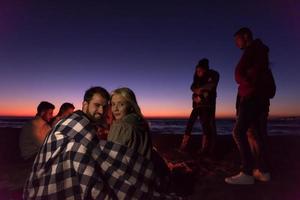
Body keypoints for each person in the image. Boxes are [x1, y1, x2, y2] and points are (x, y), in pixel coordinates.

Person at [23, 87, 176, 199]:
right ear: (84, 105)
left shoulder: (85, 124)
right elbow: (91, 153)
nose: (102, 111)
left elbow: (96, 150)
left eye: (105, 107)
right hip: (52, 180)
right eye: (97, 105)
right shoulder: (77, 123)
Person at [225, 27, 275, 185]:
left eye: (237, 39)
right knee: (256, 134)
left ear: (245, 36)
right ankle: (263, 171)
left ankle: (247, 172)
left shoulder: (255, 49)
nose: (236, 43)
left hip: (252, 97)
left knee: (238, 132)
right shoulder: (258, 50)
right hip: (256, 97)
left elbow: (254, 72)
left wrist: (247, 82)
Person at [179, 58, 219, 155]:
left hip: (207, 106)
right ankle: (183, 145)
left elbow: (211, 86)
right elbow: (192, 87)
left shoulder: (213, 74)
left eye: (200, 70)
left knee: (206, 126)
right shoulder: (197, 79)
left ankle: (205, 148)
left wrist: (200, 91)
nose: (198, 72)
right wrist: (196, 94)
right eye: (197, 71)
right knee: (190, 123)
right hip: (197, 106)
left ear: (205, 69)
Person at [108, 87, 153, 160]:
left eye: (121, 104)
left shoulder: (121, 126)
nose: (115, 109)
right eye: (113, 104)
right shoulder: (141, 123)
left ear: (131, 106)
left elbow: (110, 158)